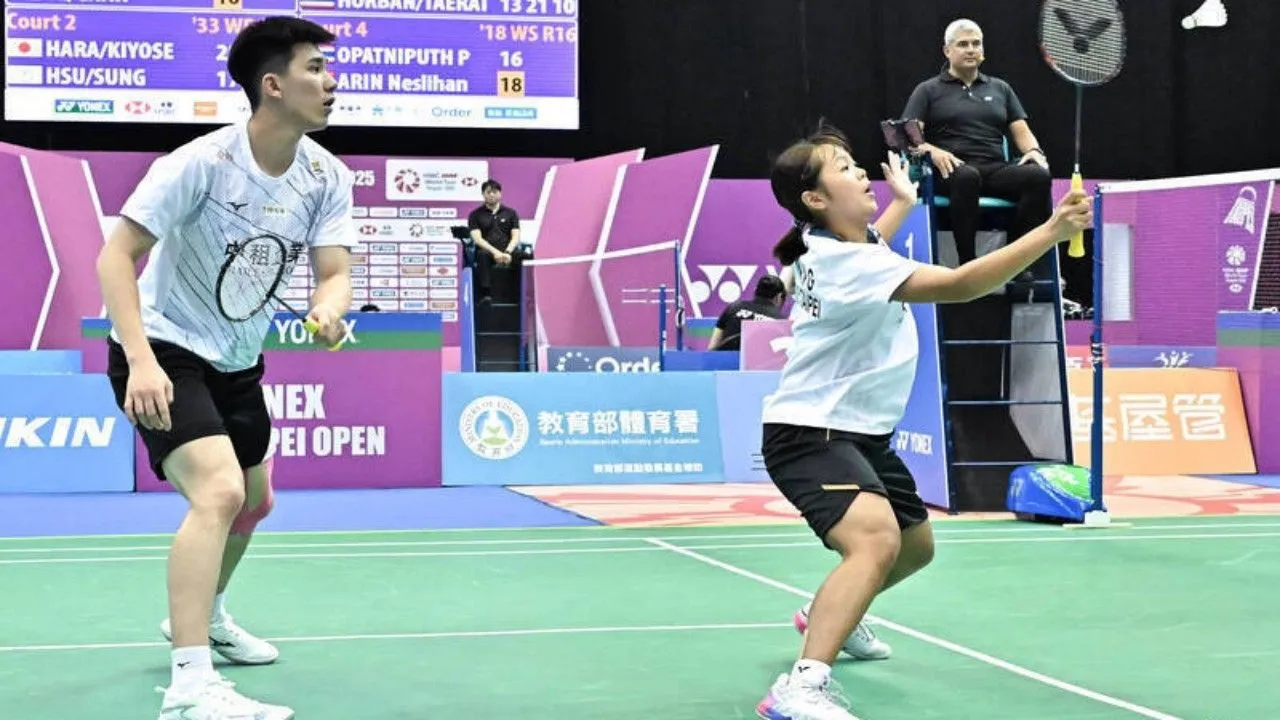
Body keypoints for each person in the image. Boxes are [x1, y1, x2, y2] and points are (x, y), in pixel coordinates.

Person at [753, 122, 1091, 720]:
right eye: (844, 168)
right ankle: (800, 689)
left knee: (914, 549)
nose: (862, 172)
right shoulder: (847, 263)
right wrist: (1050, 231)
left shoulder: (831, 246)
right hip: (811, 432)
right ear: (815, 198)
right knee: (875, 541)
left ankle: (831, 613)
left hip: (858, 432)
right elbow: (959, 286)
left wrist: (904, 203)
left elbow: (873, 246)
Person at [95, 16, 356, 720]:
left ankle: (204, 617)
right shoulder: (199, 164)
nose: (331, 82)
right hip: (163, 346)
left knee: (254, 501)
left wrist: (329, 310)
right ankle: (189, 688)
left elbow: (334, 274)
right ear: (272, 85)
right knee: (217, 493)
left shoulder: (327, 176)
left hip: (237, 358)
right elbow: (115, 257)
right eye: (315, 69)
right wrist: (140, 361)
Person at [901, 19, 1053, 272]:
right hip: (950, 170)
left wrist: (1033, 151)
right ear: (947, 51)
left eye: (976, 44)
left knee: (1038, 177)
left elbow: (1022, 132)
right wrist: (933, 151)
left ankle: (1017, 263)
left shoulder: (1001, 88)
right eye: (963, 44)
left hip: (994, 168)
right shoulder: (927, 90)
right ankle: (968, 266)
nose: (971, 49)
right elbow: (910, 138)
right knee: (967, 176)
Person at [466, 179, 522, 304]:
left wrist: (507, 252)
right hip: (488, 251)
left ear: (500, 194)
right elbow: (477, 239)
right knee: (482, 255)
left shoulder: (511, 213)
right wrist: (496, 253)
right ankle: (486, 295)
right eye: (488, 192)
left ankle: (524, 292)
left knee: (524, 256)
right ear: (483, 194)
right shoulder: (475, 215)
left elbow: (515, 236)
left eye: (495, 192)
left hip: (507, 250)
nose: (491, 195)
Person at [707, 275, 787, 351]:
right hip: (757, 361)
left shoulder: (733, 308)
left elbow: (712, 348)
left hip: (726, 360)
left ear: (755, 290)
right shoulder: (781, 322)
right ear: (779, 296)